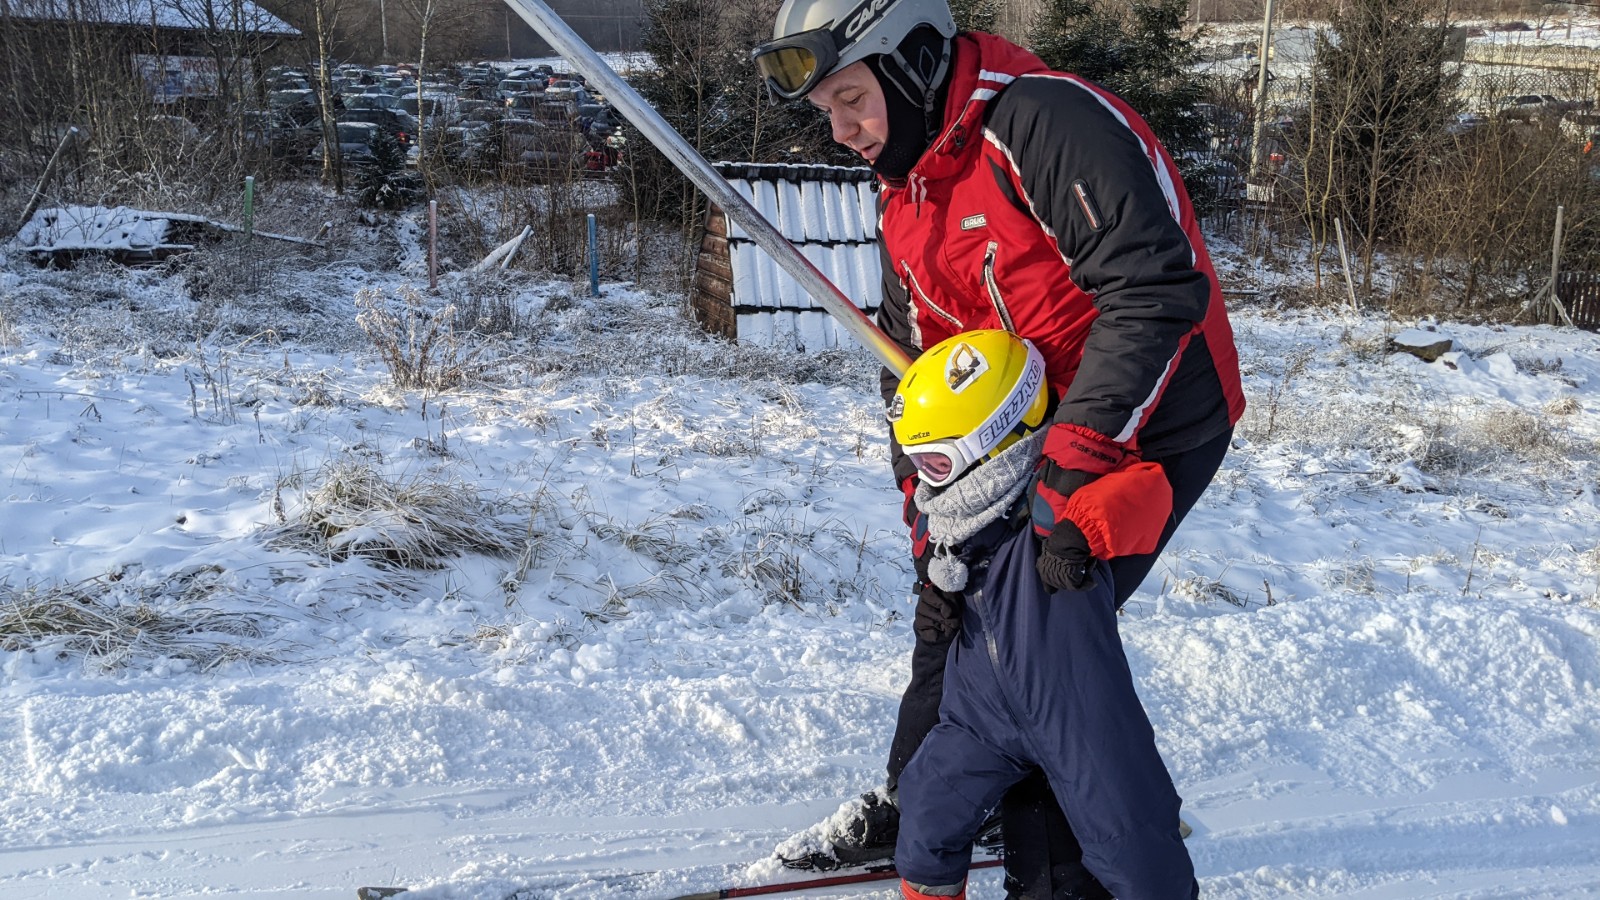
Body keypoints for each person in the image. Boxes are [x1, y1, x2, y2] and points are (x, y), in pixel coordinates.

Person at [752, 0, 1245, 897]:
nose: (841, 130)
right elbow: (917, 383)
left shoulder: (1045, 121)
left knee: (1035, 644)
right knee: (955, 604)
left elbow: (1152, 292)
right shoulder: (907, 185)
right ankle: (925, 802)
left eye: (852, 98)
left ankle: (1071, 873)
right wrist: (929, 530)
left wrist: (1072, 472)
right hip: (1020, 427)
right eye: (827, 109)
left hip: (1156, 408)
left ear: (912, 64)